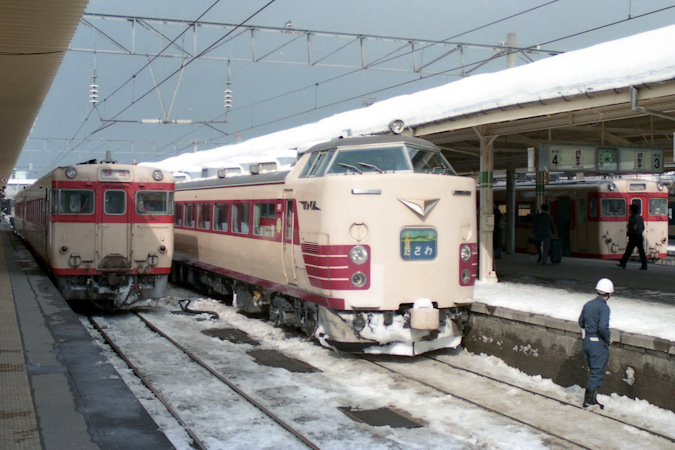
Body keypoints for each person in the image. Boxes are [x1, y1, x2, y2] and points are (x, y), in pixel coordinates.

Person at [578, 278, 613, 409]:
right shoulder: (604, 308)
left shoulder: (588, 304)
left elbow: (581, 322)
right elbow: (603, 327)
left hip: (586, 341)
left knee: (593, 371)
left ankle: (592, 398)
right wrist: (608, 338)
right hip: (598, 344)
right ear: (609, 293)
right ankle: (589, 400)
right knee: (597, 372)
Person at [617, 204, 648, 270]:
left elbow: (631, 227)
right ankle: (644, 265)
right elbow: (643, 227)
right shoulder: (640, 217)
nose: (629, 211)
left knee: (628, 250)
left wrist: (628, 233)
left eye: (630, 210)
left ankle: (623, 263)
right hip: (639, 236)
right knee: (641, 251)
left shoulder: (632, 218)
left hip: (633, 236)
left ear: (632, 210)